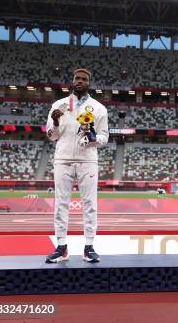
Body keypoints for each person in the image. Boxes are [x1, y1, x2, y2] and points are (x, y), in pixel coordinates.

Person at [45, 68, 109, 263]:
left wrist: (93, 138)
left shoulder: (98, 108)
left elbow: (104, 137)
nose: (80, 81)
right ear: (72, 81)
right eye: (77, 78)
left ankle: (89, 246)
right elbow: (51, 135)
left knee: (90, 203)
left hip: (87, 159)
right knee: (61, 202)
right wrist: (55, 122)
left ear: (89, 83)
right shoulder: (59, 105)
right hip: (63, 158)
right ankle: (61, 246)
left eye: (84, 79)